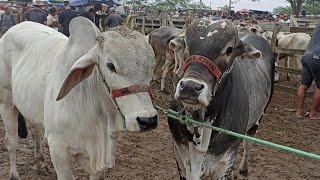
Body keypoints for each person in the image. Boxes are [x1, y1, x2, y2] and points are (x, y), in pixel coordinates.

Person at [296, 21, 320, 120]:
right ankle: (313, 113)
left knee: (303, 85)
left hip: (306, 56)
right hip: (317, 57)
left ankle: (300, 111)